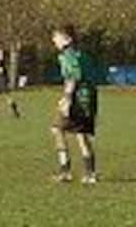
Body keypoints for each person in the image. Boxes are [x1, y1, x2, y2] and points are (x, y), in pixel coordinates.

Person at [50, 25, 102, 184]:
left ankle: (65, 171)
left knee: (57, 129)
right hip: (89, 97)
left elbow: (73, 77)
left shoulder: (67, 55)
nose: (54, 41)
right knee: (81, 135)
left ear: (67, 39)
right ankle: (90, 173)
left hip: (77, 98)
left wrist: (67, 99)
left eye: (57, 37)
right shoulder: (83, 54)